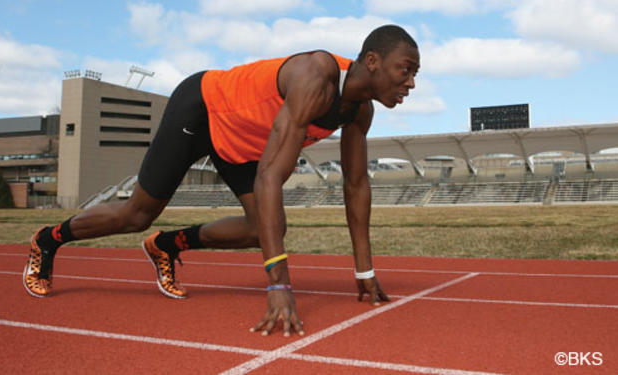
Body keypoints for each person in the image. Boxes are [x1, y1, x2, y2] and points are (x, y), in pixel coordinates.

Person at [23, 24, 420, 337]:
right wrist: (279, 288)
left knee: (264, 229)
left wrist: (365, 273)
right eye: (406, 69)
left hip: (241, 143)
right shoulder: (316, 75)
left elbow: (356, 186)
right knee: (137, 214)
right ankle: (49, 239)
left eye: (414, 73)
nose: (411, 84)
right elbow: (269, 175)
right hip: (203, 109)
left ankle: (166, 244)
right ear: (372, 60)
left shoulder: (360, 112)